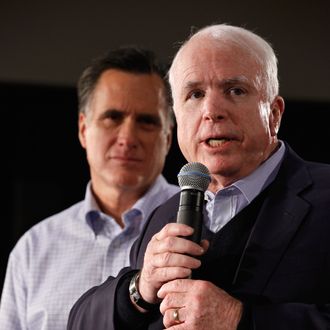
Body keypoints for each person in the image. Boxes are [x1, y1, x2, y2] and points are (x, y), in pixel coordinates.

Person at [67, 24, 330, 330]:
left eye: (235, 90)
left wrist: (240, 320)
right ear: (176, 116)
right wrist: (139, 289)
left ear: (274, 115)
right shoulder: (162, 218)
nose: (212, 110)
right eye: (195, 94)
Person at [0, 46, 180, 330]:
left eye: (146, 121)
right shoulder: (33, 250)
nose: (127, 137)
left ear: (168, 137)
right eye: (113, 117)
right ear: (84, 129)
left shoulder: (205, 227)